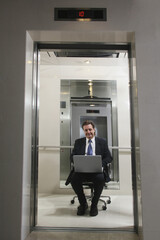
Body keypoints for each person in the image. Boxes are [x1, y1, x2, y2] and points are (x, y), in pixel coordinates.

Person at [66, 120, 112, 217]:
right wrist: (77, 161)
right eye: (86, 130)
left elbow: (109, 157)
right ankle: (83, 204)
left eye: (90, 129)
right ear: (83, 131)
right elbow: (72, 156)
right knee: (74, 179)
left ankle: (94, 205)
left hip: (97, 170)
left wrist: (101, 163)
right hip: (82, 170)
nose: (88, 132)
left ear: (94, 130)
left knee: (100, 179)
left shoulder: (102, 142)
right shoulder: (78, 142)